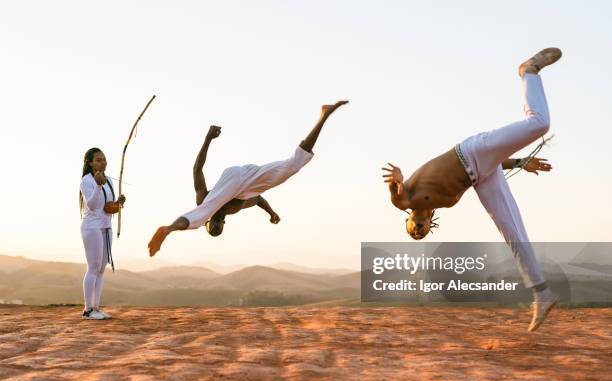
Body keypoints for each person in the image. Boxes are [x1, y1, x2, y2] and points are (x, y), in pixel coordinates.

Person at [382, 48, 562, 331]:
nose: (417, 232)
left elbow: (396, 191)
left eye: (412, 231)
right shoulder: (442, 203)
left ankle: (528, 71)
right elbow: (490, 165)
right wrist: (521, 162)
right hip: (482, 174)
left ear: (408, 220)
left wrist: (396, 178)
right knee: (513, 232)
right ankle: (542, 294)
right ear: (430, 225)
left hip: (472, 152)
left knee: (539, 123)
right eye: (422, 234)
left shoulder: (407, 200)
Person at [148, 100, 348, 256]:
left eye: (213, 222)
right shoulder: (234, 207)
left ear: (213, 223)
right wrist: (271, 212)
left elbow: (197, 170)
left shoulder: (209, 202)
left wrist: (207, 139)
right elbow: (257, 199)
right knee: (293, 165)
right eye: (218, 222)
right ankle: (324, 115)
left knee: (199, 215)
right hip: (249, 179)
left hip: (233, 178)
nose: (217, 219)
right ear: (222, 223)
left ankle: (170, 229)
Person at [79, 147, 126, 320]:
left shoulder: (109, 181)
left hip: (106, 227)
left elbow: (107, 207)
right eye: (98, 160)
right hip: (91, 227)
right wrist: (98, 186)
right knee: (93, 267)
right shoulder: (86, 181)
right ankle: (88, 310)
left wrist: (117, 203)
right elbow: (91, 205)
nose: (103, 162)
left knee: (101, 269)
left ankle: (96, 307)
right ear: (90, 163)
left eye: (104, 159)